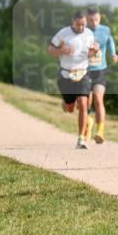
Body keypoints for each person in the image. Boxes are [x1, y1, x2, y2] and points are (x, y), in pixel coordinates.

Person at [48, 10, 99, 149]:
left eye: (83, 25)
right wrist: (61, 51)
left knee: (83, 104)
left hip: (83, 73)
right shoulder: (63, 33)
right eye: (78, 25)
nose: (81, 28)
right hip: (66, 75)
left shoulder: (89, 34)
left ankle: (81, 139)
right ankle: (67, 103)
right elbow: (50, 49)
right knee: (71, 108)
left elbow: (90, 54)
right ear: (73, 22)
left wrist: (95, 50)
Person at [82, 7, 118, 144]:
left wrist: (113, 53)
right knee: (86, 102)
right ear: (87, 19)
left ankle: (100, 130)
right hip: (85, 71)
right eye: (91, 20)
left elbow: (110, 41)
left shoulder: (105, 30)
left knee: (98, 100)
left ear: (100, 18)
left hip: (100, 70)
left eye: (96, 19)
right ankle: (87, 125)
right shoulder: (82, 31)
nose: (94, 23)